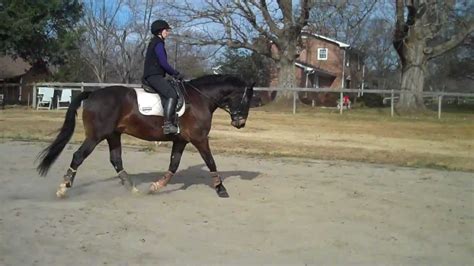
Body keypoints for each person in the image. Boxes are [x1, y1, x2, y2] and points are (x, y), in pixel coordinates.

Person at [143, 19, 184, 135]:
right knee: (172, 94)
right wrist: (175, 73)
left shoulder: (155, 42)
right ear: (160, 31)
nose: (168, 32)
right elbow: (163, 63)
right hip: (154, 76)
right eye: (166, 30)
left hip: (154, 75)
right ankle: (168, 125)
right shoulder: (158, 43)